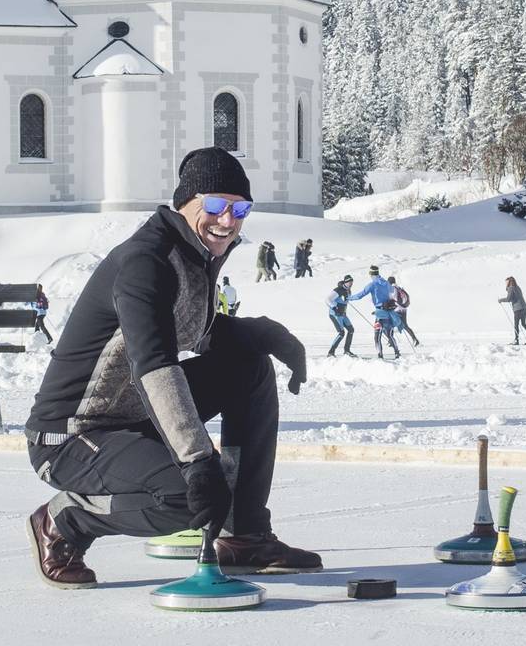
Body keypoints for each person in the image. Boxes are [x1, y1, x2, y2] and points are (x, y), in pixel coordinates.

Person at [25, 148, 318, 588]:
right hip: (71, 437)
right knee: (190, 494)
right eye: (217, 205)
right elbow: (154, 364)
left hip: (130, 422)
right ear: (186, 201)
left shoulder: (193, 251)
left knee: (249, 370)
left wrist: (264, 334)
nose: (229, 220)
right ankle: (66, 520)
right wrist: (198, 460)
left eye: (241, 209)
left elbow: (190, 329)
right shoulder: (146, 262)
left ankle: (245, 536)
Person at [349, 266, 401, 359]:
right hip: (389, 312)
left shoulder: (372, 284)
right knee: (389, 334)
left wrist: (349, 298)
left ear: (371, 274)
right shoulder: (386, 283)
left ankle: (380, 356)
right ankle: (397, 353)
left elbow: (361, 295)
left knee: (377, 336)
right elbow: (393, 290)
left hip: (380, 313)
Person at [326, 277, 356, 358]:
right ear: (345, 282)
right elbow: (328, 299)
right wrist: (334, 307)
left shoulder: (348, 290)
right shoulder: (338, 290)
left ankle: (347, 350)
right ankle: (331, 352)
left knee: (351, 330)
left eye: (352, 283)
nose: (351, 284)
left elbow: (345, 300)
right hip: (335, 314)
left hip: (343, 314)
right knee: (341, 333)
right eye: (349, 282)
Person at [500, 276, 526, 345]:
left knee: (516, 325)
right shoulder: (517, 287)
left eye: (506, 282)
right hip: (524, 307)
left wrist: (501, 300)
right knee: (523, 324)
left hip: (518, 309)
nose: (505, 283)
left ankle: (516, 340)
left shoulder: (511, 288)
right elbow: (515, 297)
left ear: (509, 282)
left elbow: (509, 299)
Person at [391, 274, 419, 347]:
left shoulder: (392, 289)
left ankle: (391, 340)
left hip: (397, 309)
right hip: (403, 309)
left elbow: (392, 299)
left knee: (389, 324)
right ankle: (415, 339)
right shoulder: (399, 288)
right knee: (405, 325)